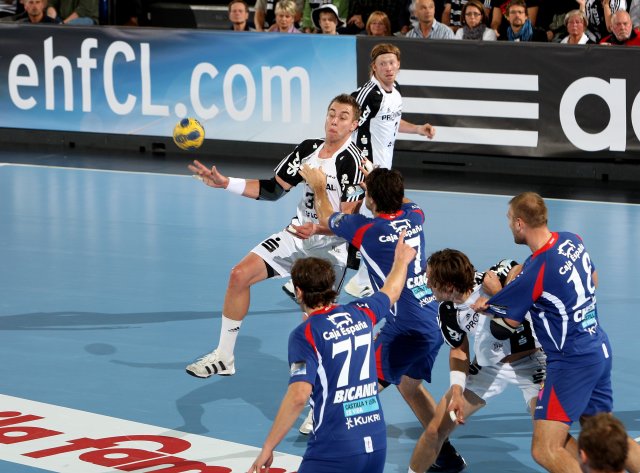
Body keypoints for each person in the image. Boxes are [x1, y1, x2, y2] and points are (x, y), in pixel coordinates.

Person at [299, 165, 466, 472]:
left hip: (405, 328)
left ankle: (336, 448)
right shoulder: (414, 215)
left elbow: (326, 216)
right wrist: (378, 181)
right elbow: (401, 201)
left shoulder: (368, 229)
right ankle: (445, 456)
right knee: (409, 387)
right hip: (432, 318)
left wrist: (319, 186)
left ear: (372, 200)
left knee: (359, 387)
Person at [185, 94, 365, 379]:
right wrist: (226, 183)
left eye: (343, 117)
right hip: (297, 236)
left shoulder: (354, 163)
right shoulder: (308, 149)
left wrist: (318, 217)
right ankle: (223, 357)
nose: (334, 120)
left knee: (315, 321)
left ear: (354, 125)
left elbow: (347, 223)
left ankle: (320, 388)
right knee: (239, 275)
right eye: (331, 113)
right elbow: (273, 189)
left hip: (331, 248)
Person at [474, 192, 640, 473]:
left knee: (546, 448)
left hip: (571, 361)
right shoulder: (572, 240)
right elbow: (594, 280)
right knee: (606, 440)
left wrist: (489, 299)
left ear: (519, 223)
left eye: (509, 220)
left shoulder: (538, 267)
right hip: (598, 348)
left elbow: (506, 323)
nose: (509, 225)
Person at [247, 233, 416, 473]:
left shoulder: (305, 334)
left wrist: (268, 446)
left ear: (298, 291)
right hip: (376, 441)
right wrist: (401, 261)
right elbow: (393, 290)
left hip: (335, 447)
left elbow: (298, 396)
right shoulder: (362, 312)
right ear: (330, 286)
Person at [408, 249, 545, 472]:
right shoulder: (448, 310)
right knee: (435, 430)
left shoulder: (493, 278)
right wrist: (457, 391)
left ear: (448, 286)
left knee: (547, 438)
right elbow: (459, 349)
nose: (427, 284)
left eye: (431, 280)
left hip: (533, 361)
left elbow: (519, 267)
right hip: (488, 367)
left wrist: (500, 294)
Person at [342, 43, 436, 299]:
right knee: (364, 224)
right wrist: (363, 165)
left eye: (392, 62)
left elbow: (392, 121)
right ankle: (353, 277)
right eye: (382, 63)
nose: (388, 67)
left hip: (383, 169)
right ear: (374, 67)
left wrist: (417, 129)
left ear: (398, 65)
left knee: (372, 224)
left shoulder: (396, 91)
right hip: (367, 170)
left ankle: (361, 279)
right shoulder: (368, 94)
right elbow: (349, 125)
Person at [345, 0, 412, 34]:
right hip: (361, 33)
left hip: (389, 33)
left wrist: (365, 20)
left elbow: (391, 19)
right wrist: (357, 21)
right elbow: (350, 20)